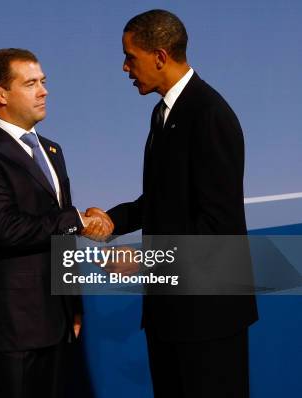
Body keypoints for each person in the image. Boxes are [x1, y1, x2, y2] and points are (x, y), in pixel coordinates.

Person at [92, 9, 258, 398]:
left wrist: (145, 260)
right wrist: (111, 221)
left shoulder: (209, 114)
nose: (124, 67)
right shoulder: (163, 114)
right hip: (171, 315)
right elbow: (166, 198)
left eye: (130, 57)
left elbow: (217, 228)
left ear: (161, 56)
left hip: (208, 319)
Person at [0, 48, 112, 398]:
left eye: (43, 82)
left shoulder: (53, 151)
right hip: (9, 326)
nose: (43, 91)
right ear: (0, 93)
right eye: (30, 83)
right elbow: (6, 228)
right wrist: (76, 219)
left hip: (55, 321)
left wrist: (72, 302)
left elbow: (62, 238)